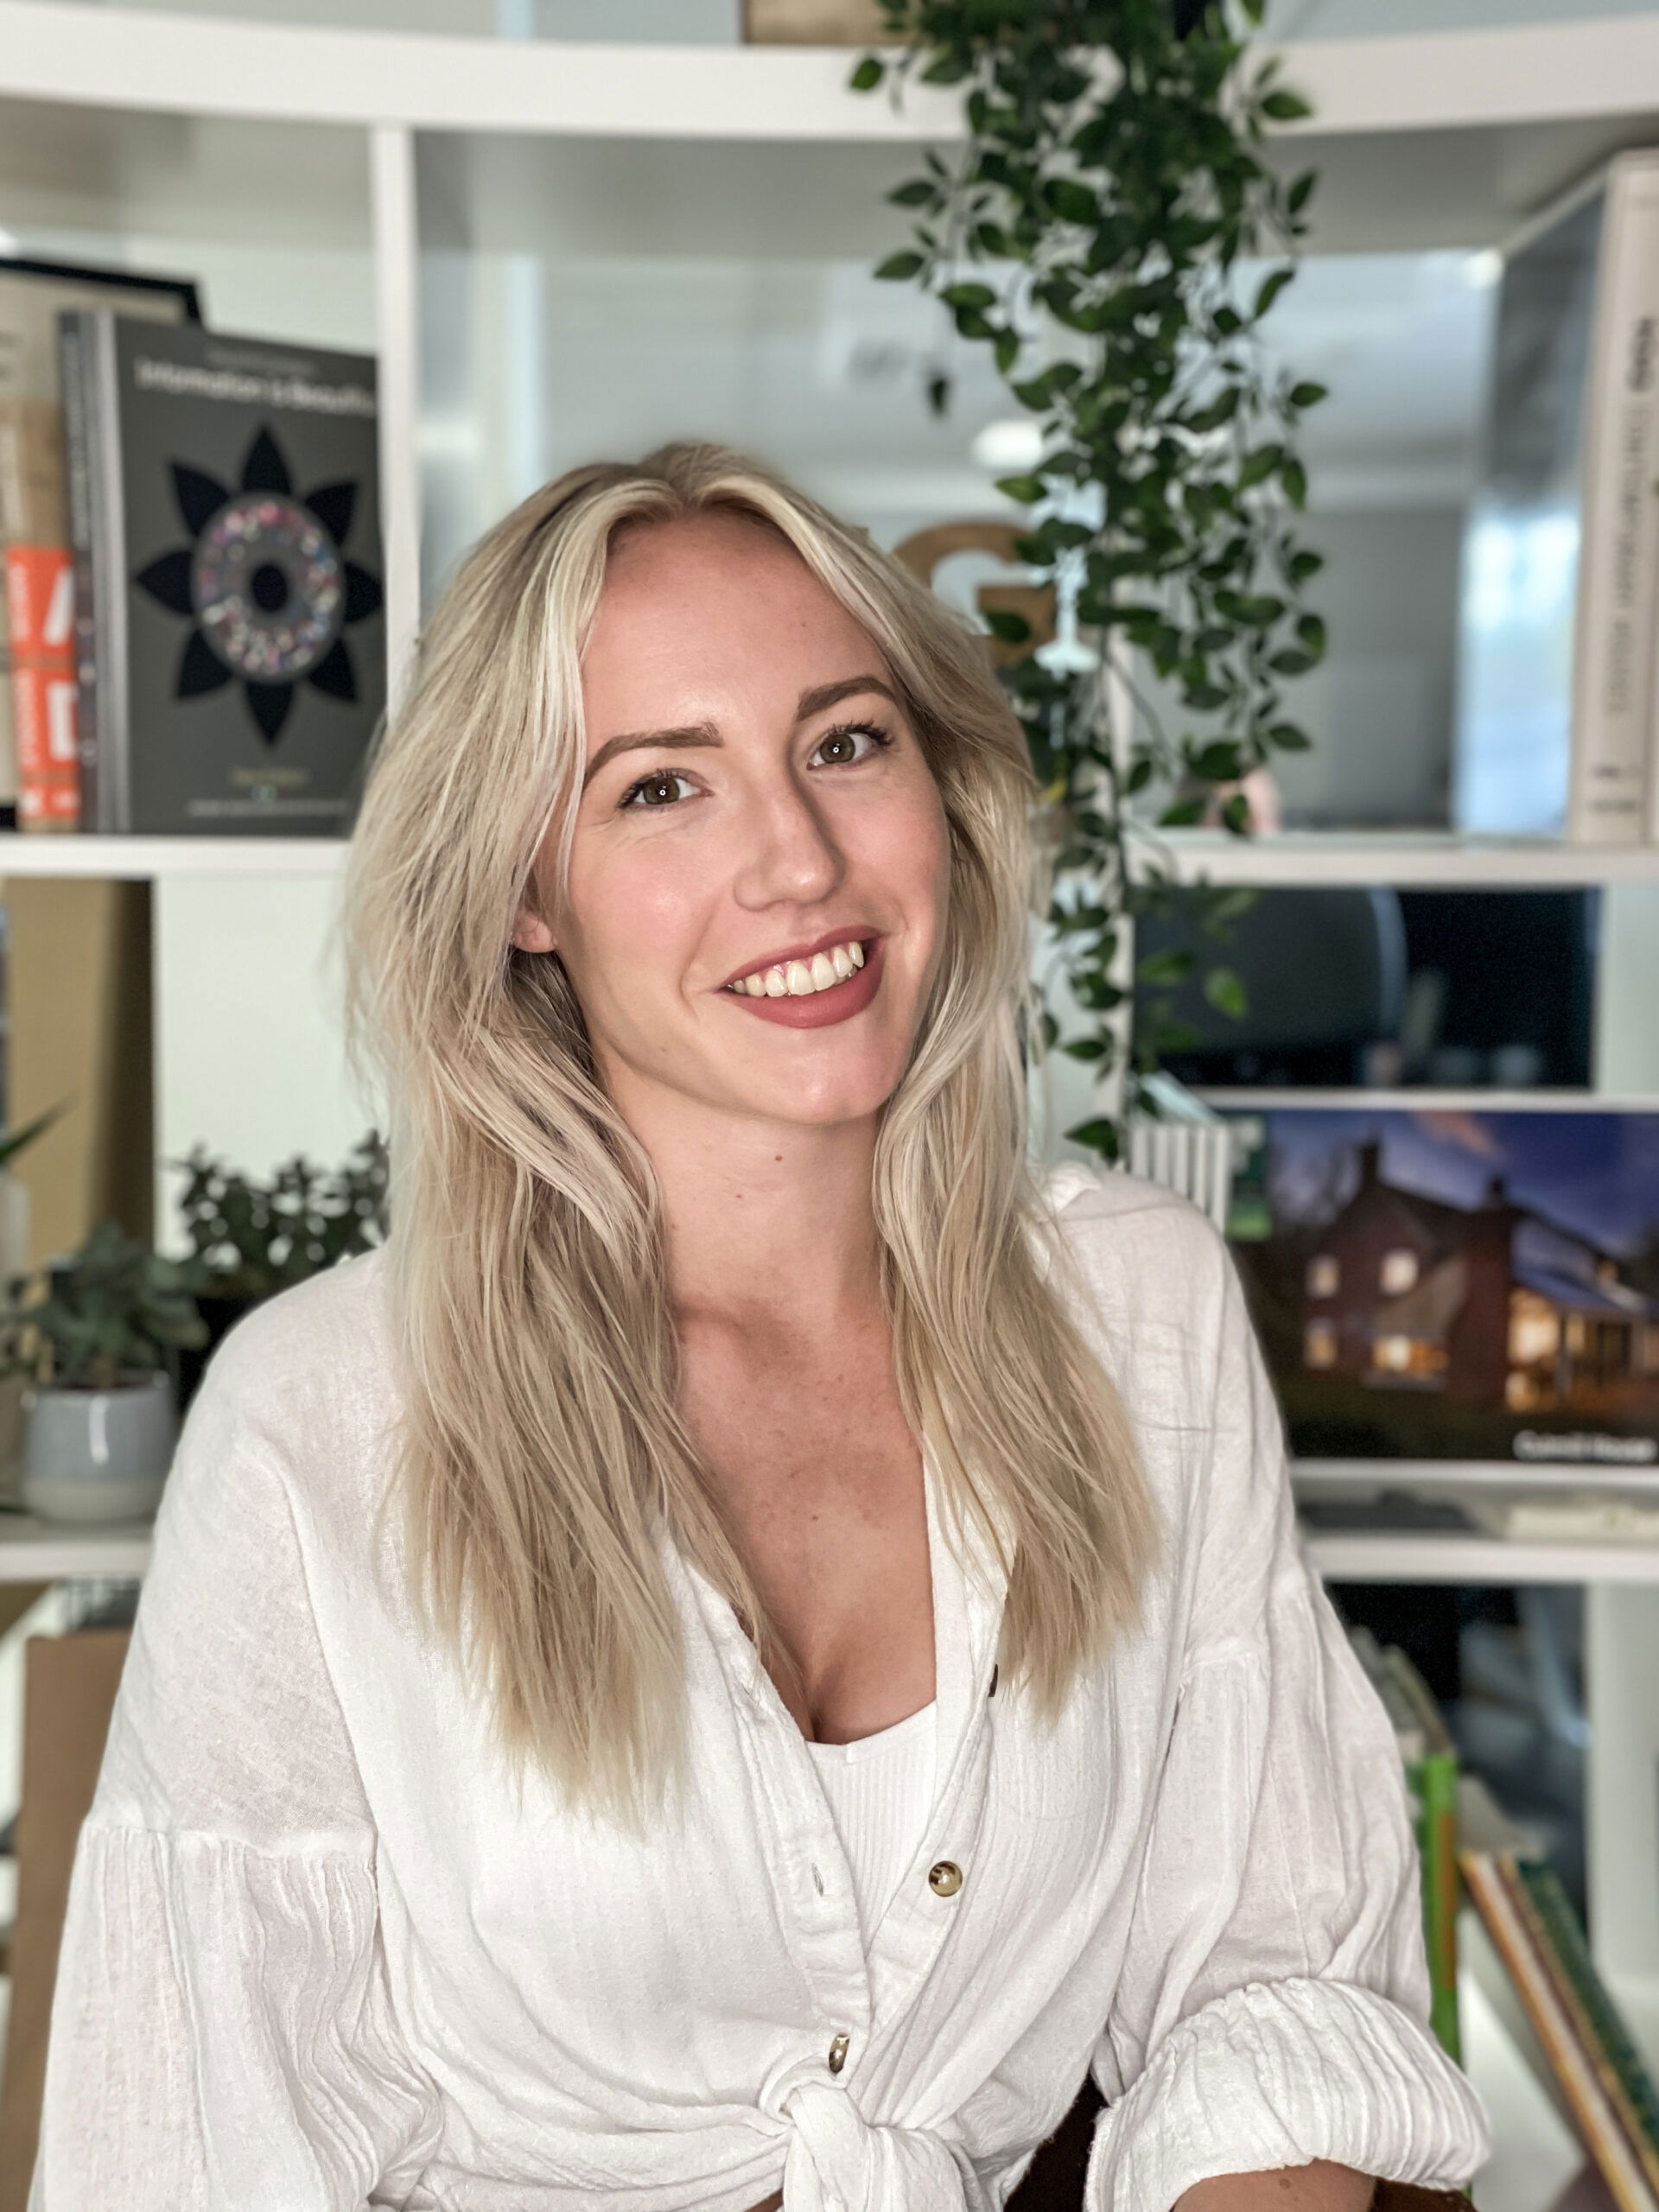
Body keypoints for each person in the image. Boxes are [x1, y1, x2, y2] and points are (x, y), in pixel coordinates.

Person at [33, 442, 1488, 2210]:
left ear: (941, 793)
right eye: (663, 786)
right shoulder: (321, 1422)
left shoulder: (1139, 1315)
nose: (798, 858)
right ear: (523, 893)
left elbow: (1270, 1980)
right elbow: (188, 2152)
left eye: (845, 744)